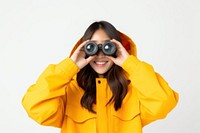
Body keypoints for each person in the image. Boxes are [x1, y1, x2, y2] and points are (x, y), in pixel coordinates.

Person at [22, 21, 179, 133]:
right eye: (92, 47)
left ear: (118, 48)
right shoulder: (69, 91)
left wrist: (130, 63)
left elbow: (164, 102)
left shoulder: (133, 91)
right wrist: (69, 66)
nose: (100, 54)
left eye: (107, 47)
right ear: (83, 49)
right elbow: (35, 107)